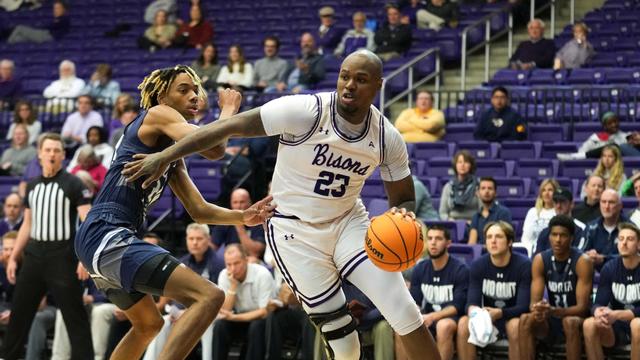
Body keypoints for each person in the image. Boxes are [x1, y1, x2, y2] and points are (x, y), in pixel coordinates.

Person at [122, 50, 442, 360]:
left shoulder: (387, 137)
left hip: (348, 223)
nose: (349, 85)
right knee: (345, 346)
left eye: (360, 79)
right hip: (294, 233)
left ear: (378, 85)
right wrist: (164, 155)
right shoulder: (304, 111)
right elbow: (226, 128)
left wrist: (404, 214)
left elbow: (403, 196)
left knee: (404, 311)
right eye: (344, 76)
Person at [73, 65, 274, 360]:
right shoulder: (157, 114)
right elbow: (216, 149)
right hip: (107, 230)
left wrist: (241, 217)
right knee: (210, 296)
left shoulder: (169, 155)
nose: (194, 96)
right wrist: (229, 111)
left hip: (99, 237)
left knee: (148, 325)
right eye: (183, 90)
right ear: (162, 96)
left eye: (196, 90)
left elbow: (199, 210)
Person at [2, 133, 94, 360]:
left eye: (57, 150)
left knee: (75, 318)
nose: (52, 154)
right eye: (48, 150)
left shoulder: (74, 183)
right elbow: (27, 225)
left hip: (62, 257)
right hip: (33, 256)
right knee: (19, 316)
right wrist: (14, 256)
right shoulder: (31, 186)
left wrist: (84, 257)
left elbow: (89, 222)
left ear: (63, 155)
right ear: (40, 154)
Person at [143, 223, 225, 360]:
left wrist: (187, 312)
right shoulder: (182, 262)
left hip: (212, 313)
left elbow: (219, 298)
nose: (195, 243)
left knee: (208, 325)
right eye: (191, 239)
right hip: (181, 312)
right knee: (163, 322)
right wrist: (176, 310)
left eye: (199, 239)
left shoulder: (218, 264)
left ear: (208, 239)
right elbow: (176, 293)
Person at [519, 215, 593, 360]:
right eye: (554, 234)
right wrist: (539, 309)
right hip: (552, 318)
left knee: (569, 322)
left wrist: (554, 311)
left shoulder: (582, 261)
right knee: (525, 319)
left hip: (577, 318)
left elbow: (582, 307)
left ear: (572, 238)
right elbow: (533, 303)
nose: (558, 240)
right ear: (549, 236)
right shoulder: (540, 259)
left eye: (563, 235)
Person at [456, 221, 531, 360]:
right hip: (487, 317)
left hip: (512, 316)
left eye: (498, 236)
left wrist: (501, 313)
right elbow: (471, 302)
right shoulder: (478, 265)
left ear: (509, 242)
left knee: (515, 325)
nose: (493, 241)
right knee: (463, 323)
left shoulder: (524, 265)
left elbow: (524, 307)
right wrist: (475, 312)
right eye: (489, 237)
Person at [407, 225, 468, 360]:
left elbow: (457, 306)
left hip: (452, 318)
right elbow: (414, 300)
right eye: (430, 238)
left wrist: (432, 317)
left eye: (438, 238)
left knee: (443, 326)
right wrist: (415, 314)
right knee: (403, 328)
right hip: (427, 316)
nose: (433, 242)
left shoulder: (460, 269)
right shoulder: (420, 268)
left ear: (448, 243)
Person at [583, 223, 640, 360]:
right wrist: (598, 312)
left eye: (630, 239)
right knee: (589, 324)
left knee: (637, 324)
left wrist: (618, 314)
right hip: (617, 325)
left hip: (635, 321)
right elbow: (598, 303)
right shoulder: (609, 268)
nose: (624, 243)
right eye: (621, 239)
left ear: (639, 245)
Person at [213, 244, 276, 360]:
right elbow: (225, 311)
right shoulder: (224, 275)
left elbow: (264, 312)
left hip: (261, 320)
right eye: (229, 264)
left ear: (246, 260)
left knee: (256, 326)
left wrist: (234, 318)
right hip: (239, 318)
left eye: (236, 263)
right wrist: (233, 286)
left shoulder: (262, 274)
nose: (232, 269)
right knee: (220, 326)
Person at [51, 279, 118, 360]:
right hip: (89, 305)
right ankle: (59, 357)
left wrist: (93, 298)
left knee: (100, 311)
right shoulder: (83, 268)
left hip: (112, 304)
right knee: (65, 310)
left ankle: (96, 357)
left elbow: (113, 292)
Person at [212, 188, 266, 260]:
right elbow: (212, 248)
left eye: (242, 202)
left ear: (249, 203)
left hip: (253, 262)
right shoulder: (225, 221)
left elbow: (255, 252)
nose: (238, 206)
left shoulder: (258, 221)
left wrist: (239, 224)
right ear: (231, 204)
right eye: (235, 202)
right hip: (230, 262)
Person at [533, 187, 587, 256]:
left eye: (562, 202)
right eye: (556, 202)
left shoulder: (581, 229)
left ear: (571, 204)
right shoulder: (545, 231)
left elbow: (579, 256)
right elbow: (537, 257)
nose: (558, 206)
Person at [583, 189, 627, 271]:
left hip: (622, 275)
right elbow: (580, 252)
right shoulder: (591, 227)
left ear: (620, 206)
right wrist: (589, 255)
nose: (606, 206)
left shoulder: (629, 228)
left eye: (611, 202)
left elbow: (631, 255)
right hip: (593, 276)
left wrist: (604, 259)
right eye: (603, 202)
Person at [558, 112, 631, 161]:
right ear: (604, 126)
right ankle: (573, 157)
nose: (614, 125)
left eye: (615, 122)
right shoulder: (596, 137)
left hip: (618, 164)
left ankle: (573, 156)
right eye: (610, 123)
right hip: (598, 165)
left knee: (613, 147)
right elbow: (582, 152)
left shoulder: (626, 136)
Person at [468, 177, 512, 245]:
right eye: (483, 188)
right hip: (480, 253)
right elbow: (472, 243)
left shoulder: (504, 213)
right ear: (478, 193)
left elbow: (505, 240)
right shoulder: (476, 216)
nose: (486, 191)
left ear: (495, 193)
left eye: (490, 188)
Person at [521, 179, 558, 256]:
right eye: (544, 190)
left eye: (550, 190)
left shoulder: (559, 212)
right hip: (533, 252)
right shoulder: (532, 212)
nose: (546, 193)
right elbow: (526, 238)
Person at [439, 150, 479, 222]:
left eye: (466, 162)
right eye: (459, 162)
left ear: (471, 165)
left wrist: (474, 223)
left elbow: (483, 210)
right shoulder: (448, 187)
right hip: (452, 223)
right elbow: (442, 213)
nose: (462, 165)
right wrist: (449, 220)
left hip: (473, 224)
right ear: (455, 165)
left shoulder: (478, 186)